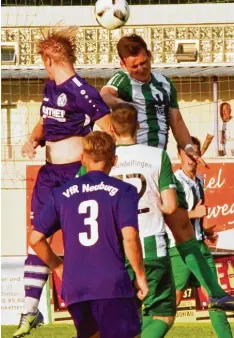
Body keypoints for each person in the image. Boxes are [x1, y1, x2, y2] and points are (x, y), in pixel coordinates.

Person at [100, 34, 234, 312]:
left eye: (144, 62)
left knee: (183, 226)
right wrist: (119, 106)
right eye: (133, 65)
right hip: (136, 164)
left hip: (158, 163)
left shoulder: (164, 83)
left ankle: (216, 293)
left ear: (150, 55)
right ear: (123, 64)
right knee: (130, 233)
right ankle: (122, 300)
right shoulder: (122, 82)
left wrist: (187, 145)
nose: (140, 69)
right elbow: (104, 94)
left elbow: (176, 120)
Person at [14, 28, 111, 338]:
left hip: (73, 175)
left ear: (49, 58)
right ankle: (30, 311)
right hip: (48, 175)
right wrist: (32, 139)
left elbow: (107, 129)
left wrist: (95, 169)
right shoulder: (50, 87)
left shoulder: (83, 92)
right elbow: (45, 120)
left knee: (80, 248)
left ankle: (95, 314)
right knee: (35, 238)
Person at [29, 131, 148, 338]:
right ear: (115, 160)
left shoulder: (61, 193)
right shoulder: (124, 191)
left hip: (75, 286)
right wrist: (140, 276)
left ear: (83, 158)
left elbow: (35, 239)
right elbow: (130, 237)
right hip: (110, 285)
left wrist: (58, 266)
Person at [109, 103, 177, 338]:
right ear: (138, 126)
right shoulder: (157, 156)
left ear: (111, 128)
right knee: (162, 314)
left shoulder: (104, 159)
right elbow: (170, 206)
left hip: (115, 248)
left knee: (127, 316)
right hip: (150, 243)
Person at [167, 136, 233, 338]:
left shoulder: (199, 180)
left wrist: (204, 231)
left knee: (215, 296)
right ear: (179, 154)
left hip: (199, 245)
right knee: (172, 301)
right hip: (180, 249)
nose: (190, 160)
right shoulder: (174, 181)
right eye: (186, 155)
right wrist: (192, 214)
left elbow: (197, 213)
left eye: (194, 155)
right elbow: (168, 212)